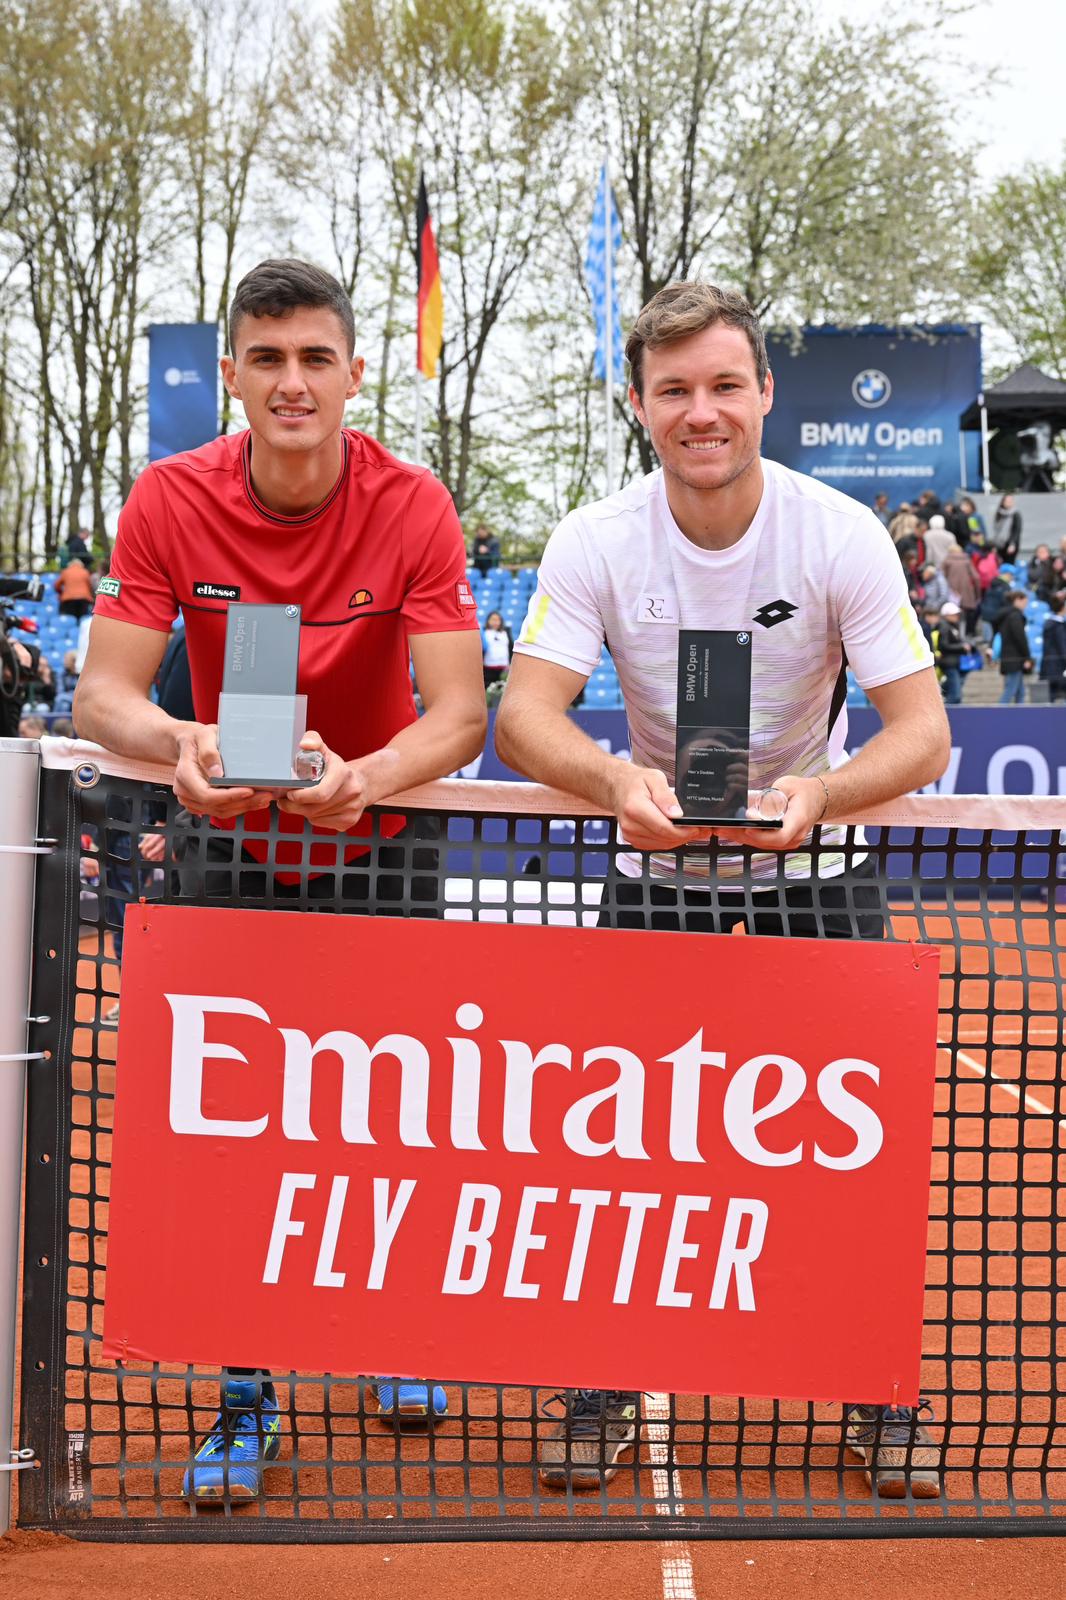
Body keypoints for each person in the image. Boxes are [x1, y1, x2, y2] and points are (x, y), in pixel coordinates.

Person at [496, 279, 949, 1502]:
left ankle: (878, 1393)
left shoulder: (838, 533)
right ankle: (599, 1384)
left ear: (762, 395)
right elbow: (524, 714)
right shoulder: (595, 537)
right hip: (654, 866)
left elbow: (922, 735)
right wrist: (611, 779)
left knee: (863, 1143)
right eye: (675, 389)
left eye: (724, 385)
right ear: (639, 403)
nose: (702, 411)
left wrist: (820, 797)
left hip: (814, 868)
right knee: (616, 1138)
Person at [74, 257, 487, 1500]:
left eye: (316, 357)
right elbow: (104, 695)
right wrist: (181, 745)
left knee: (390, 1106)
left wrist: (366, 774)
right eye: (268, 358)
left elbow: (459, 714)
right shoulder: (167, 496)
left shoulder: (415, 503)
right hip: (227, 845)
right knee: (228, 1124)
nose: (293, 381)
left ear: (354, 373)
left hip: (380, 841)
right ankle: (243, 1389)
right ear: (234, 377)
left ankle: (392, 1331)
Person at [997, 591, 1031, 704]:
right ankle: (997, 716)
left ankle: (1020, 718)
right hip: (1014, 659)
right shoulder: (1015, 616)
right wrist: (1027, 657)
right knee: (1010, 690)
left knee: (1020, 692)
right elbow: (1020, 638)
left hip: (1011, 659)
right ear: (1017, 600)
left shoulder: (1008, 616)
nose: (1025, 605)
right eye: (1024, 602)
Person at [936, 601, 965, 706]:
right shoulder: (944, 627)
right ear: (946, 615)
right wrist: (961, 647)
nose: (956, 616)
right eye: (954, 614)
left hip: (953, 662)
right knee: (955, 695)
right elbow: (943, 645)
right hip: (949, 662)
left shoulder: (952, 626)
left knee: (953, 690)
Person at [1040, 593, 1066, 702]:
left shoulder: (1049, 624)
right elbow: (1063, 646)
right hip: (1058, 666)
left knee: (1052, 696)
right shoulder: (1058, 626)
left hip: (1049, 665)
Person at [481, 608, 513, 686]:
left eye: (497, 620)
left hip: (503, 669)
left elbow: (511, 648)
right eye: (493, 619)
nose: (495, 622)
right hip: (488, 668)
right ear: (488, 621)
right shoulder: (484, 632)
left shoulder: (506, 632)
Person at [992, 494, 1022, 563]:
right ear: (1003, 502)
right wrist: (994, 545)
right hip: (999, 544)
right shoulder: (999, 513)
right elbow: (996, 530)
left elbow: (1017, 530)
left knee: (1009, 565)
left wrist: (1012, 544)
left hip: (1010, 544)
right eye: (1007, 501)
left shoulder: (1016, 514)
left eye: (1011, 501)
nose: (1009, 502)